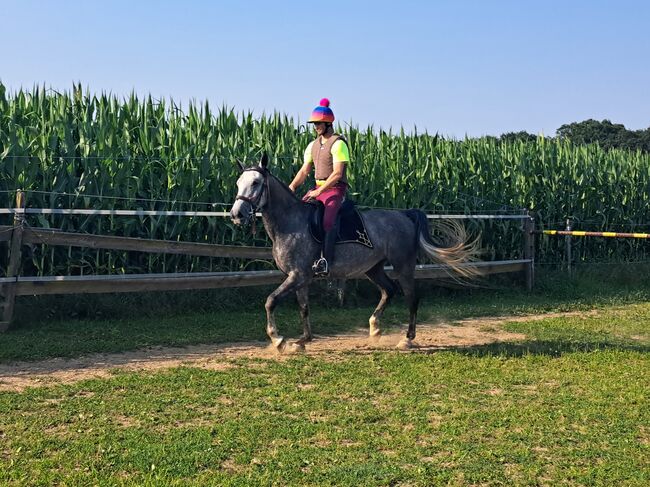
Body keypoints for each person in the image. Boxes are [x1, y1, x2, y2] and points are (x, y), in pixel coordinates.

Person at [289, 98, 350, 276]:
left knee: (328, 221)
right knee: (299, 217)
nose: (315, 127)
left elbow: (338, 173)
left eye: (318, 123)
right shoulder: (312, 146)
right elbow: (304, 170)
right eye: (314, 124)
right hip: (317, 188)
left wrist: (319, 191)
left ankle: (325, 260)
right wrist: (291, 186)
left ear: (328, 122)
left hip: (335, 189)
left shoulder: (339, 144)